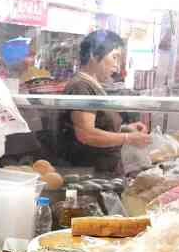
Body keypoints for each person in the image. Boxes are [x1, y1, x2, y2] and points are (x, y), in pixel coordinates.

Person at [60, 30, 151, 173]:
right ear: (93, 55)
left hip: (102, 170)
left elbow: (100, 124)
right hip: (88, 172)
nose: (117, 66)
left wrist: (125, 128)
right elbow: (86, 134)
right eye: (114, 57)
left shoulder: (93, 85)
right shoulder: (80, 86)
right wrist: (128, 138)